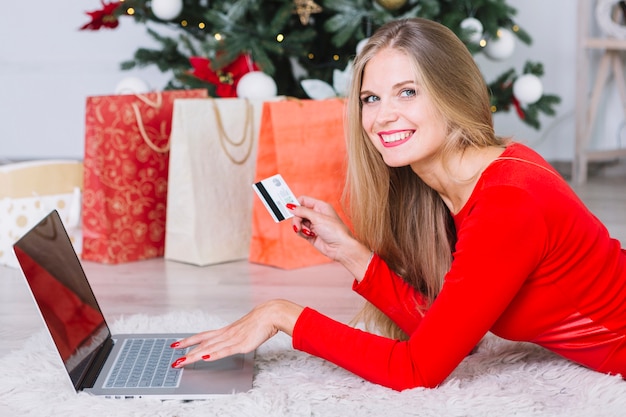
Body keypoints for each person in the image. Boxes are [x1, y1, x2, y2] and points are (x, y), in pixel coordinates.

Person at [170, 17, 626, 390]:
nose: (382, 116)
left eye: (407, 92)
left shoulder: (507, 203)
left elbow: (417, 368)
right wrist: (347, 249)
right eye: (371, 98)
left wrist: (283, 315)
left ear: (453, 96)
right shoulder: (471, 178)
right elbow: (448, 337)